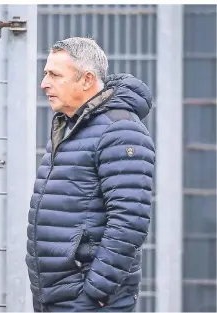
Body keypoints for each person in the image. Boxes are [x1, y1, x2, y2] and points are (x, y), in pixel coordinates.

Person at [26, 37, 155, 312]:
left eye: (54, 75)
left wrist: (97, 290)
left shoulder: (120, 130)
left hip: (88, 299)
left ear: (87, 80)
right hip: (58, 295)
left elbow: (129, 220)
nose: (44, 83)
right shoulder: (71, 125)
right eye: (45, 73)